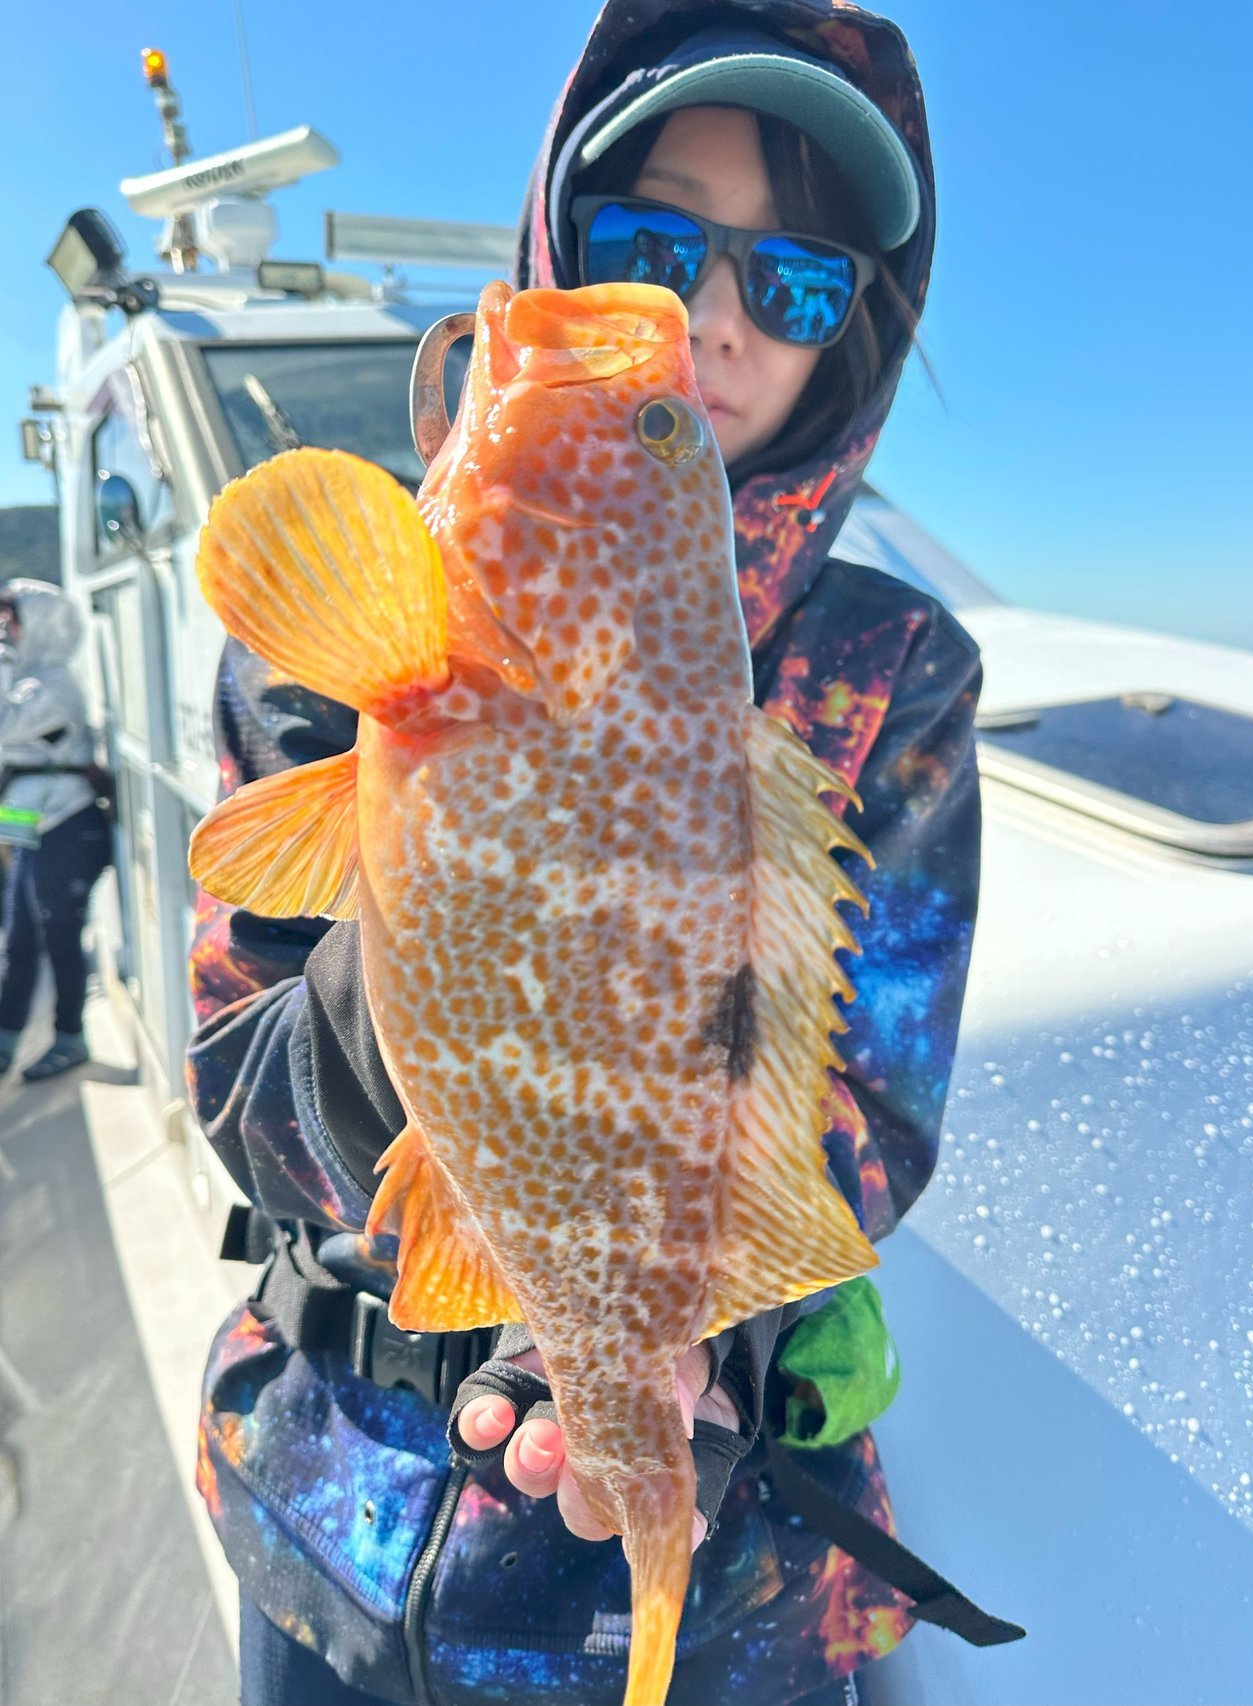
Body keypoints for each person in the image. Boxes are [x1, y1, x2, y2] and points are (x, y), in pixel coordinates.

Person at [187, 3, 985, 1702]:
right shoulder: (341, 638)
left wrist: (682, 1326)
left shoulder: (892, 670)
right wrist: (406, 963)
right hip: (334, 1516)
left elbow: (869, 1115)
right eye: (654, 245)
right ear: (559, 237)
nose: (708, 316)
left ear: (853, 329)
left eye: (795, 281)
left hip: (736, 1568)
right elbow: (232, 1074)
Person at [0, 580, 111, 1081]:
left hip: (67, 826)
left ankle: (70, 1039)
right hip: (34, 824)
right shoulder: (26, 680)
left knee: (60, 935)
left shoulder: (51, 684)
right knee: (20, 936)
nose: (6, 631)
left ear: (40, 624)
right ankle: (6, 1038)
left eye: (11, 620)